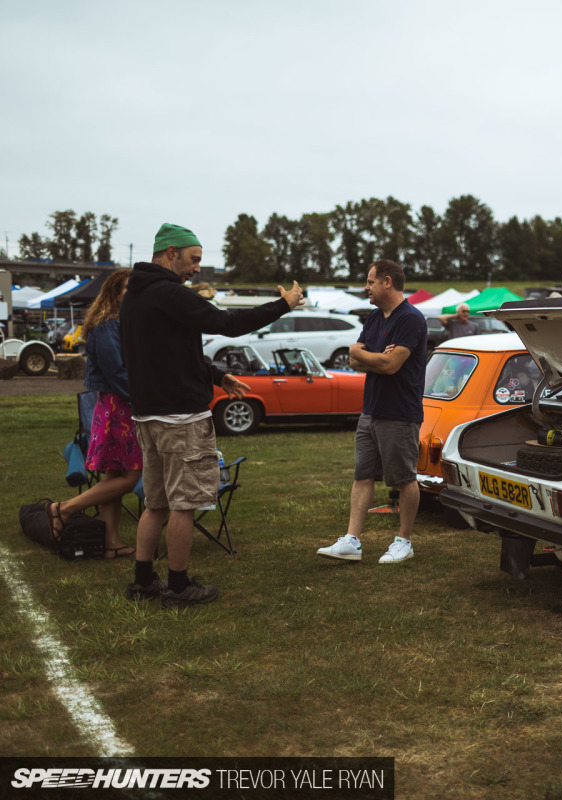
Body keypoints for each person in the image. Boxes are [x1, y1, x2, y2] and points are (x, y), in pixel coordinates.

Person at [121, 223, 305, 608]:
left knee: (155, 503)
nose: (198, 268)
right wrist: (284, 304)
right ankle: (178, 585)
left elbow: (170, 353)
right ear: (171, 253)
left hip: (148, 417)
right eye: (194, 259)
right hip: (182, 420)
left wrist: (217, 375)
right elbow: (230, 324)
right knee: (185, 504)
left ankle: (143, 581)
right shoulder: (169, 293)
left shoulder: (135, 296)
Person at [318, 259, 426, 564]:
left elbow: (391, 366)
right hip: (371, 410)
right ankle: (352, 540)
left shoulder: (411, 319)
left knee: (404, 478)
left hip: (400, 412)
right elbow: (355, 360)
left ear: (387, 282)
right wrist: (370, 356)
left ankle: (404, 541)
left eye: (370, 282)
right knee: (362, 475)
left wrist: (365, 354)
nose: (366, 288)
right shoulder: (375, 317)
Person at [47, 269, 141, 558]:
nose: (134, 295)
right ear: (114, 293)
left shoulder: (121, 323)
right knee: (131, 475)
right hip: (119, 408)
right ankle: (64, 509)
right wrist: (146, 399)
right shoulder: (108, 326)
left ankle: (110, 541)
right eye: (128, 289)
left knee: (114, 474)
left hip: (119, 405)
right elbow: (116, 373)